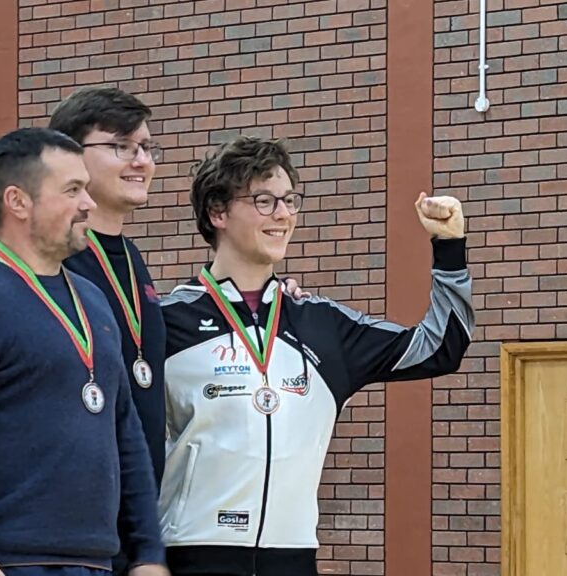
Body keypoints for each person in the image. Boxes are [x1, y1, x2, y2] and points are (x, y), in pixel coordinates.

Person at [157, 136, 474, 576]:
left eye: (290, 201)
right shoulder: (164, 324)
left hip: (293, 556)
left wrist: (449, 249)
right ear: (218, 213)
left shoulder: (323, 325)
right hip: (190, 553)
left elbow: (440, 348)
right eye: (264, 201)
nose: (284, 215)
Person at [0, 87, 169, 576]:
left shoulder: (92, 299)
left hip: (96, 564)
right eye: (72, 190)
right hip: (9, 563)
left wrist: (149, 553)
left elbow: (124, 433)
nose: (88, 203)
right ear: (18, 201)